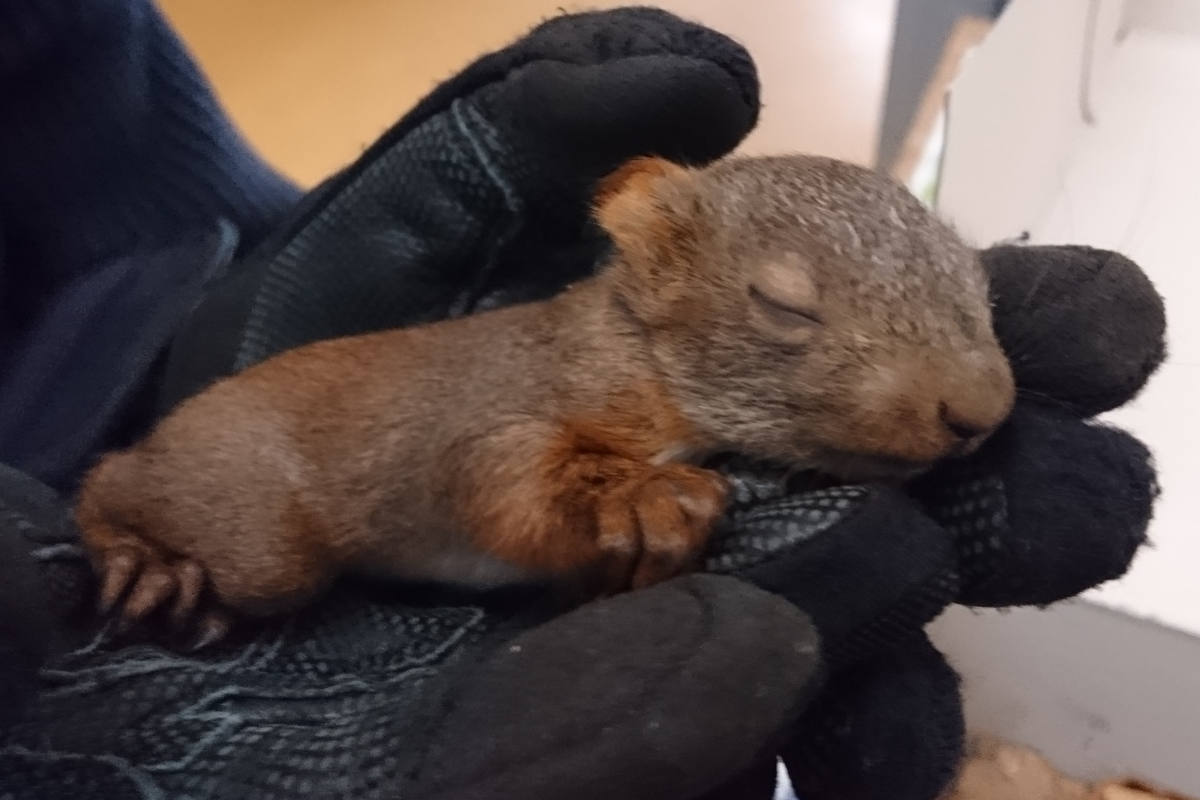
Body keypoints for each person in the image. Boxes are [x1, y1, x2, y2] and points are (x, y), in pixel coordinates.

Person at [0, 3, 1163, 798]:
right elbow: (508, 495)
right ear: (657, 264)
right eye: (790, 311)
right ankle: (122, 514)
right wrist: (613, 499)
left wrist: (178, 285)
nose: (977, 388)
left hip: (125, 278)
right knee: (257, 554)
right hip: (274, 469)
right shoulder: (584, 379)